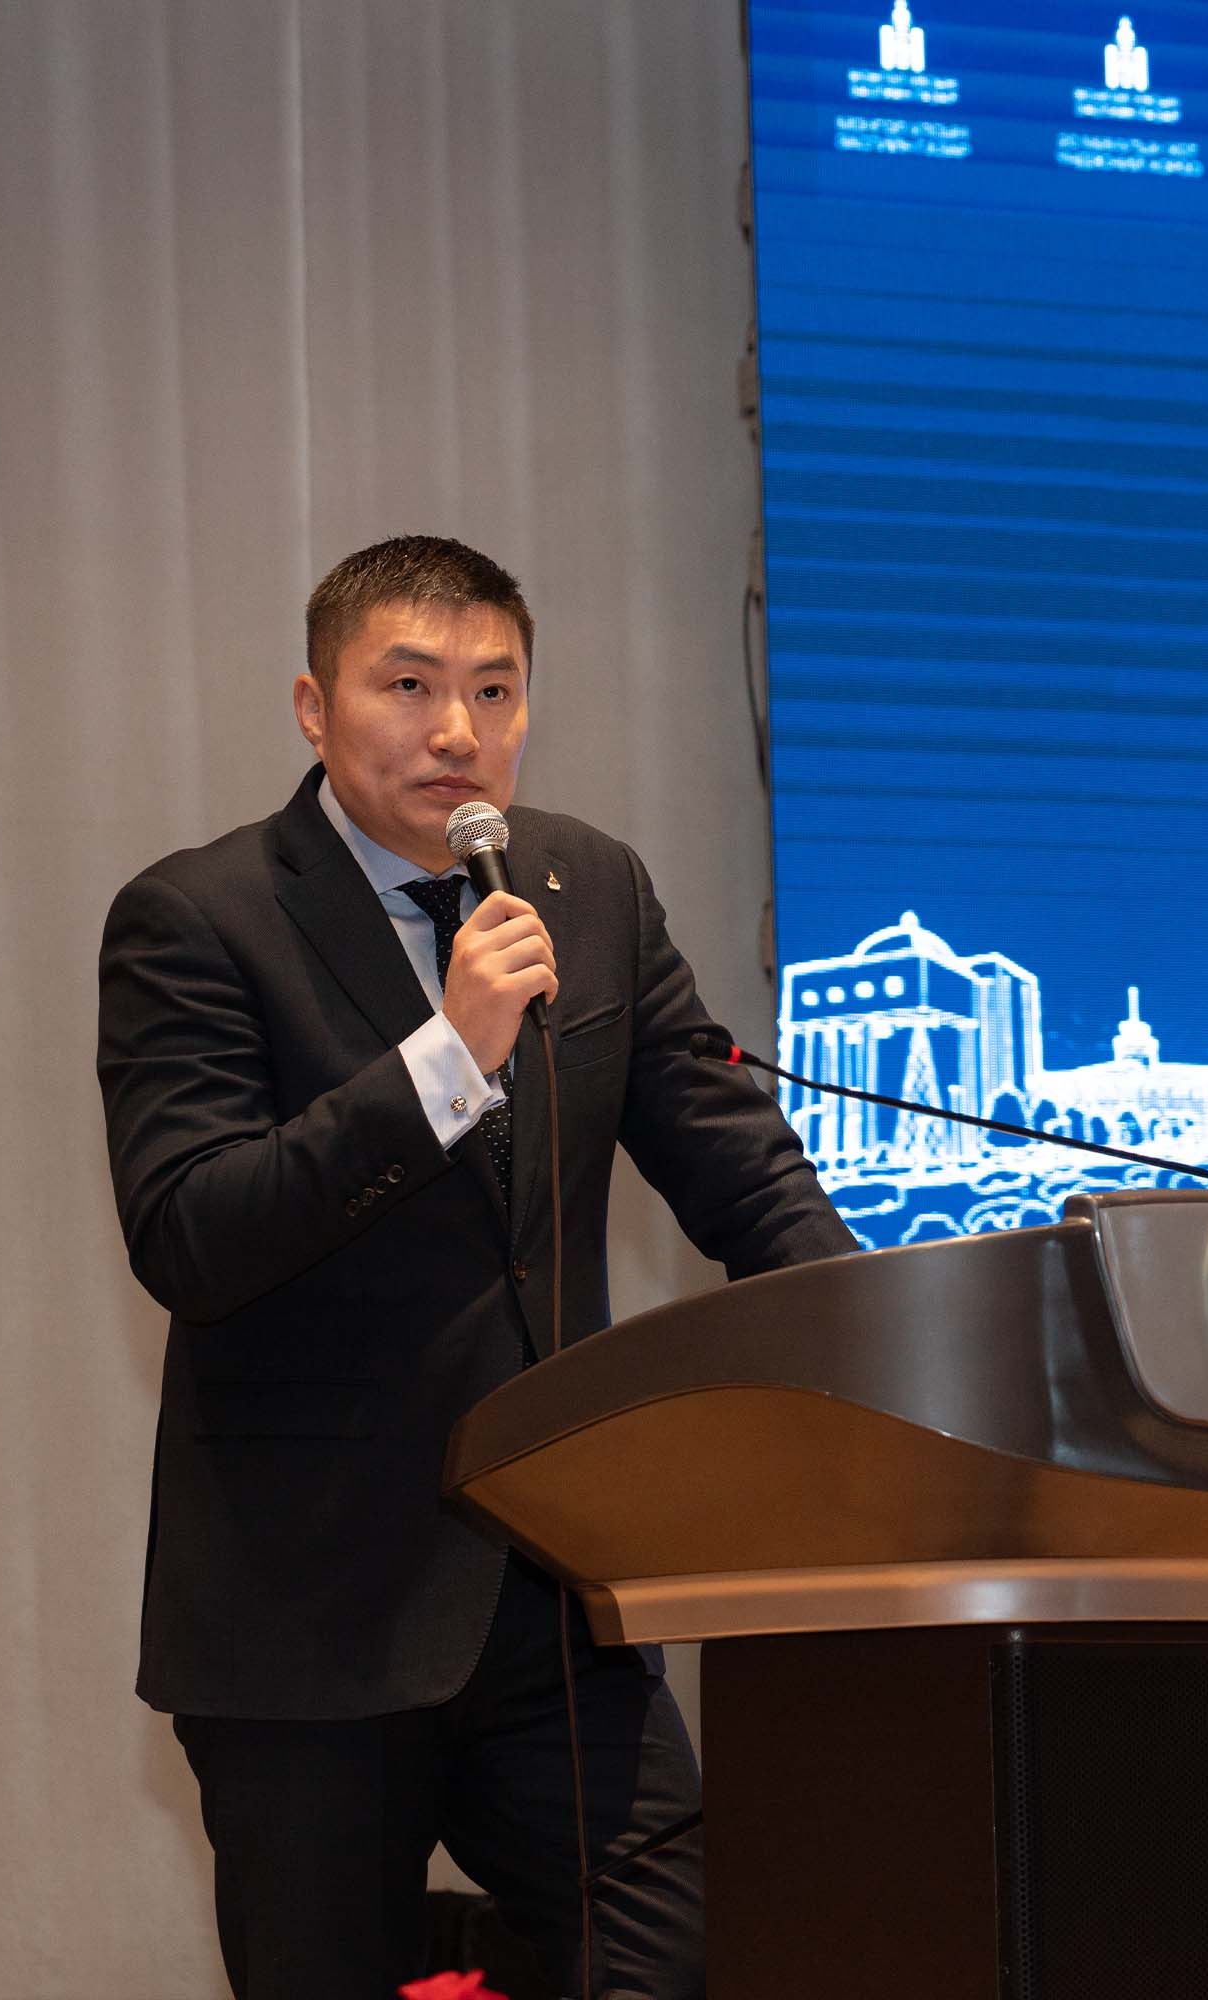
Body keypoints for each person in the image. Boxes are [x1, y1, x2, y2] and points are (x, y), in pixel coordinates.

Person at [96, 535, 856, 2000]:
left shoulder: (589, 887)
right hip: (308, 1619)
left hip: (552, 1596)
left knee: (681, 1956)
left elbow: (741, 1173)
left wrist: (882, 1340)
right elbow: (191, 1233)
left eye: (495, 689)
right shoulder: (199, 918)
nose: (458, 729)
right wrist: (447, 1059)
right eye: (410, 686)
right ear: (314, 707)